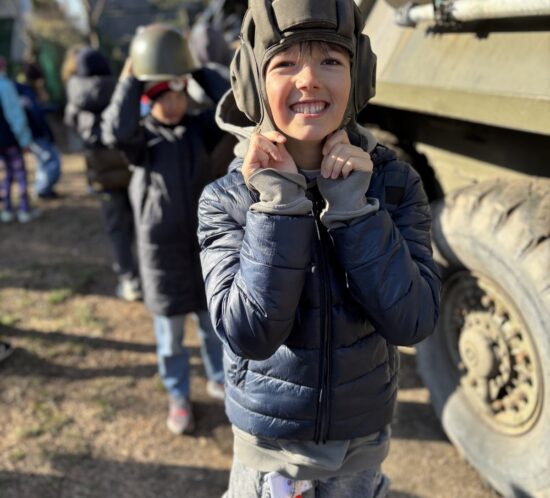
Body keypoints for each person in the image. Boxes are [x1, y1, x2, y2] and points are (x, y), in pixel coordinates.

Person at [196, 1, 441, 496]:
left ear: (359, 75)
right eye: (285, 63)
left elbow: (414, 320)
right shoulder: (227, 199)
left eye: (331, 60)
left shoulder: (394, 185)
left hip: (361, 448)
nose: (309, 80)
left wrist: (356, 212)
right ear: (253, 81)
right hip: (269, 457)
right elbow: (249, 334)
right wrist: (278, 208)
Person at [102, 25, 229, 435]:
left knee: (212, 329)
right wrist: (131, 78)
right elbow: (114, 131)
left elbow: (233, 107)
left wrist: (194, 69)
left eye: (178, 96)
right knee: (170, 340)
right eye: (163, 97)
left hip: (203, 251)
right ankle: (178, 395)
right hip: (162, 259)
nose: (173, 105)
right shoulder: (141, 142)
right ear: (149, 100)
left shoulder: (198, 131)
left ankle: (219, 378)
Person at [64, 47, 141, 301]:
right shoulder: (120, 87)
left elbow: (72, 125)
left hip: (101, 174)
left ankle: (129, 280)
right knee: (141, 223)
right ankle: (146, 273)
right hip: (130, 167)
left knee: (117, 228)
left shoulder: (74, 94)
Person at [16, 81, 62, 199]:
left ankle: (42, 188)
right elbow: (35, 114)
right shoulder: (24, 92)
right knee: (49, 160)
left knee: (43, 162)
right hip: (36, 134)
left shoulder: (20, 92)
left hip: (35, 133)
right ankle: (43, 189)